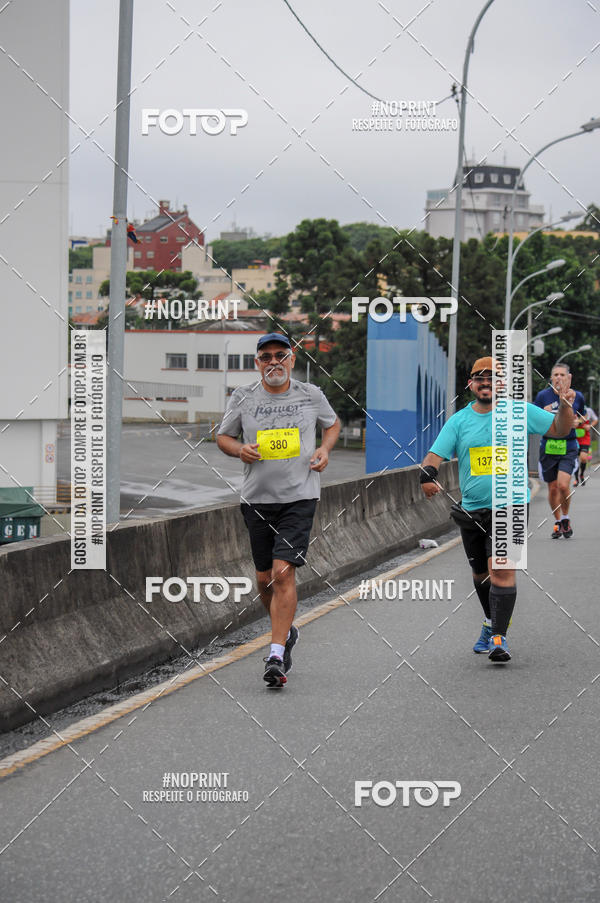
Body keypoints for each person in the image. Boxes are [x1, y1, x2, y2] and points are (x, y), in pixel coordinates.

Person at [419, 356, 575, 664]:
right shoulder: (459, 420)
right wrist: (427, 477)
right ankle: (492, 622)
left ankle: (498, 639)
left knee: (501, 569)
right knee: (481, 574)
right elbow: (434, 456)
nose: (486, 383)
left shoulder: (519, 412)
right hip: (473, 510)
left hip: (512, 505)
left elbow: (560, 430)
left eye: (493, 378)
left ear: (501, 385)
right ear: (471, 384)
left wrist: (564, 403)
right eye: (480, 378)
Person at [217, 333, 340, 688]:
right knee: (263, 580)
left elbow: (332, 424)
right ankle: (285, 630)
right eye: (266, 357)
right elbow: (223, 437)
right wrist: (239, 449)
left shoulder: (310, 394)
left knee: (283, 573)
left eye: (280, 356)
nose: (274, 362)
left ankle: (275, 654)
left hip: (299, 497)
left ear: (292, 359)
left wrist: (325, 450)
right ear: (257, 363)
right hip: (256, 499)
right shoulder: (243, 397)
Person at [533, 363, 585, 538]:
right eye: (555, 375)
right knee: (553, 488)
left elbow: (581, 418)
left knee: (563, 485)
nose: (559, 378)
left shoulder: (576, 396)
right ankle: (557, 521)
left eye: (562, 375)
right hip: (548, 446)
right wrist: (543, 411)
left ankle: (565, 517)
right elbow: (533, 419)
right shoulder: (542, 396)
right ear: (551, 378)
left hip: (569, 446)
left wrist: (577, 422)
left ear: (568, 377)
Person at [573, 405, 597, 487]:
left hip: (585, 439)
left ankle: (581, 475)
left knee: (583, 458)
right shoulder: (572, 410)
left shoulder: (588, 410)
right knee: (575, 460)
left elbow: (595, 419)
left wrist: (590, 426)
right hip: (574, 438)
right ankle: (576, 479)